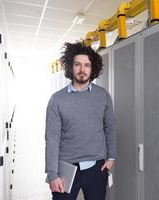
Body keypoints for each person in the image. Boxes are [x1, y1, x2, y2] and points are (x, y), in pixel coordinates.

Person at [45, 42, 116, 200]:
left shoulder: (103, 95)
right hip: (65, 168)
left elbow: (110, 127)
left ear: (93, 68)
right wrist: (52, 174)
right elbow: (52, 139)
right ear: (71, 66)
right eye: (77, 64)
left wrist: (111, 158)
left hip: (97, 168)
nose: (82, 69)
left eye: (86, 65)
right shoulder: (57, 100)